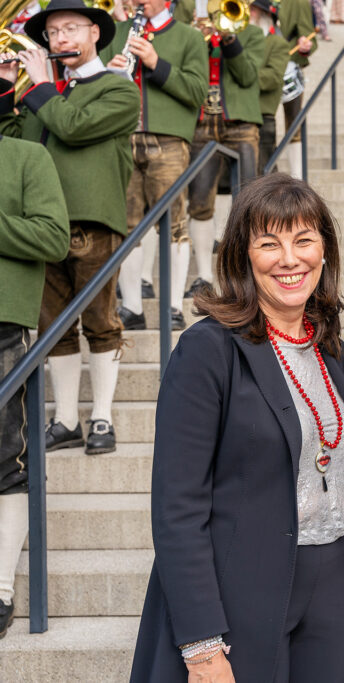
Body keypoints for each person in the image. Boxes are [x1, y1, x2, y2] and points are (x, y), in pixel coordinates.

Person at [129, 174, 344, 682]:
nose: (290, 259)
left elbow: (340, 488)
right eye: (270, 244)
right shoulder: (208, 351)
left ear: (324, 251)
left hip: (329, 593)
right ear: (242, 256)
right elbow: (178, 507)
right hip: (239, 595)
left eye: (304, 240)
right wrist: (200, 646)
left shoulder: (332, 351)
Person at [0, 0, 141, 456]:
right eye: (53, 33)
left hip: (93, 221)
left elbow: (73, 126)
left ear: (95, 33)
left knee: (101, 321)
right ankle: (65, 420)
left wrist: (39, 86)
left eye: (70, 29)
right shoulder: (42, 96)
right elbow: (15, 142)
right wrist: (6, 88)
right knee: (52, 327)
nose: (60, 40)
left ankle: (101, 416)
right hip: (43, 225)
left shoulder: (119, 91)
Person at [100, 0, 207, 332]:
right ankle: (132, 305)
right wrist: (109, 75)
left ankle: (174, 306)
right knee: (126, 226)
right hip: (122, 138)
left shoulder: (189, 37)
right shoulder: (114, 33)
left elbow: (197, 92)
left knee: (174, 226)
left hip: (169, 140)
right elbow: (92, 89)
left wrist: (155, 62)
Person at [0, 135, 70, 640]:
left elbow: (53, 238)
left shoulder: (27, 155)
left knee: (7, 458)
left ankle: (0, 586)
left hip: (4, 320)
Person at [184, 14, 264, 300]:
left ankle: (248, 274)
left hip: (240, 124)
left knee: (250, 201)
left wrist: (229, 39)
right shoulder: (195, 35)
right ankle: (204, 275)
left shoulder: (253, 33)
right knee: (199, 202)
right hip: (203, 124)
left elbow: (247, 75)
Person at [250, 0, 290, 173]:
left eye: (253, 10)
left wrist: (243, 74)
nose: (247, 12)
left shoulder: (277, 43)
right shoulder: (240, 41)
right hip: (236, 115)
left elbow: (273, 77)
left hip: (261, 115)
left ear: (266, 15)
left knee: (264, 174)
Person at [277, 0, 316, 179]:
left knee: (293, 122)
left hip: (286, 66)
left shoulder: (297, 2)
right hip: (253, 67)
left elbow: (309, 37)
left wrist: (305, 45)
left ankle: (297, 177)